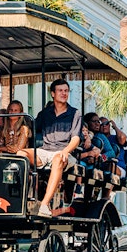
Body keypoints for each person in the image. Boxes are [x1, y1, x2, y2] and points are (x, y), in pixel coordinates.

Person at [16, 79, 81, 217]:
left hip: (64, 152)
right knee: (21, 153)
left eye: (66, 91)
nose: (64, 93)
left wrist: (65, 151)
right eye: (60, 90)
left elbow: (76, 138)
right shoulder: (45, 113)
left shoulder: (75, 113)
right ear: (53, 93)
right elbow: (32, 128)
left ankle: (44, 205)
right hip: (45, 150)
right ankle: (20, 199)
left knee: (58, 159)